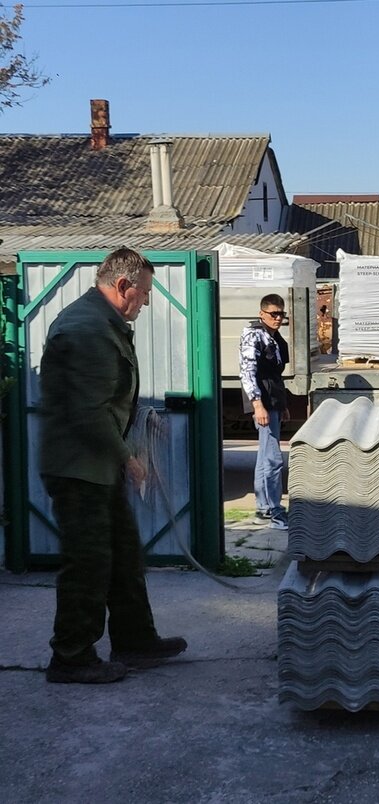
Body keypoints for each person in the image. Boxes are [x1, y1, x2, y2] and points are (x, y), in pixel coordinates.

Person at [40, 247, 187, 684]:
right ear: (123, 286)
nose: (145, 301)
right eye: (143, 293)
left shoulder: (103, 323)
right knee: (88, 562)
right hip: (79, 467)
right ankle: (71, 656)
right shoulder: (87, 329)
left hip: (96, 463)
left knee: (123, 555)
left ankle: (135, 640)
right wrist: (129, 458)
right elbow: (89, 411)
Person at [239, 293, 290, 529]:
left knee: (265, 456)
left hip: (274, 400)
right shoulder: (253, 335)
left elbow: (276, 376)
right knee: (272, 459)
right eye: (273, 314)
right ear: (262, 314)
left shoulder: (274, 337)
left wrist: (283, 405)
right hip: (263, 403)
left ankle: (264, 508)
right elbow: (247, 372)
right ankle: (274, 511)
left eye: (281, 314)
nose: (278, 318)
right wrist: (257, 404)